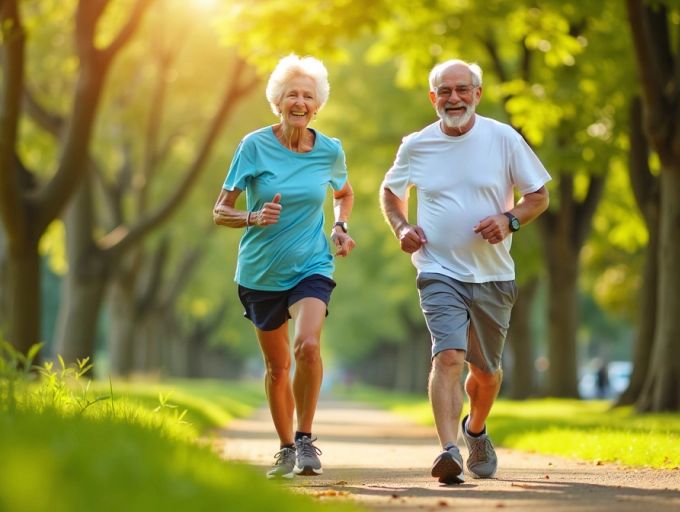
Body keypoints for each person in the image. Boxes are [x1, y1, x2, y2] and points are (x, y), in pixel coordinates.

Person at [379, 59, 550, 484]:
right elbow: (390, 191)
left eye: (461, 89)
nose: (453, 98)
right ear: (432, 97)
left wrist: (509, 220)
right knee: (449, 355)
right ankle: (448, 450)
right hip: (438, 269)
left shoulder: (504, 138)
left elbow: (539, 195)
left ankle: (475, 430)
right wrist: (402, 227)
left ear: (477, 93)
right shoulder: (416, 145)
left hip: (493, 274)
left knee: (487, 373)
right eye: (444, 91)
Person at [212, 54, 356, 479]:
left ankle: (307, 439)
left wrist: (341, 226)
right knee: (277, 369)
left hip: (311, 264)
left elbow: (344, 192)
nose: (299, 101)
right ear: (278, 101)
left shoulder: (329, 150)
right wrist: (252, 217)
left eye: (307, 95)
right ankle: (285, 448)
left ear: (317, 105)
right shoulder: (253, 146)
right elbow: (220, 210)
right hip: (259, 272)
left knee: (307, 345)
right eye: (291, 93)